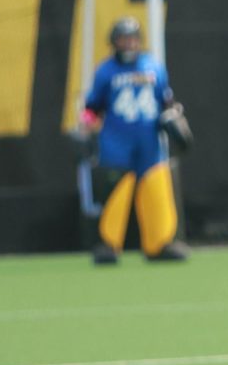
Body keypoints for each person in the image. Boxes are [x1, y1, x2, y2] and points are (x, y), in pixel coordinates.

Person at [79, 16, 192, 264]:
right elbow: (93, 106)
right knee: (117, 192)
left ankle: (159, 243)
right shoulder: (106, 71)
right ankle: (109, 244)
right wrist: (86, 122)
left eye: (132, 39)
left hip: (150, 142)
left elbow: (166, 101)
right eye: (123, 39)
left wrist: (174, 116)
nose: (128, 44)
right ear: (114, 42)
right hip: (117, 142)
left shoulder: (153, 66)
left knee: (156, 189)